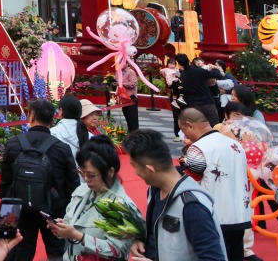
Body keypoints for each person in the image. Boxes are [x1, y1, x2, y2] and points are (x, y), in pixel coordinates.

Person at [122, 128, 225, 261]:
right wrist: (141, 240)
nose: (135, 172)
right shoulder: (155, 191)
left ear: (150, 169)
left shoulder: (191, 206)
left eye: (134, 166)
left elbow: (214, 258)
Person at [0, 98, 79, 261]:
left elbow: (5, 182)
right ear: (53, 119)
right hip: (53, 209)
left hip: (13, 208)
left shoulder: (13, 144)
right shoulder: (61, 148)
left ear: (31, 117)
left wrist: (7, 211)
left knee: (9, 249)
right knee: (57, 252)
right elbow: (73, 185)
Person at [47, 134, 143, 260]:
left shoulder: (120, 204)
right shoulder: (81, 190)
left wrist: (78, 236)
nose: (86, 179)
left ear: (110, 172)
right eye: (82, 173)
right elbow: (71, 221)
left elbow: (118, 250)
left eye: (91, 175)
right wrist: (61, 227)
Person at [178, 107, 251, 261]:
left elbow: (192, 182)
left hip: (213, 216)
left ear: (190, 126)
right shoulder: (236, 145)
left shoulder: (199, 148)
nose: (184, 135)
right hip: (240, 214)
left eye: (183, 130)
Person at [178, 54, 221, 126]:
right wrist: (214, 68)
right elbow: (217, 74)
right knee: (214, 126)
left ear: (180, 64)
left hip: (194, 104)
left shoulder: (183, 75)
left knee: (199, 126)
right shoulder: (200, 71)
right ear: (189, 61)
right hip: (207, 102)